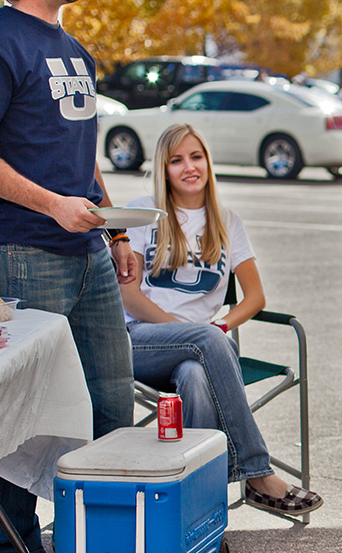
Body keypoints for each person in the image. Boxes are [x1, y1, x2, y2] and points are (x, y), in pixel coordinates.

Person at [0, 0, 136, 551]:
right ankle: (6, 544)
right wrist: (52, 206)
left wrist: (113, 226)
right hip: (19, 254)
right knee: (13, 417)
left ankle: (101, 536)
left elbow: (81, 156)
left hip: (87, 254)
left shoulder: (77, 51)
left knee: (113, 404)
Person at [120, 123, 323, 516]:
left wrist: (222, 326)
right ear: (163, 169)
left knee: (197, 376)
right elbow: (128, 295)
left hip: (200, 354)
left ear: (208, 163)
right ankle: (256, 472)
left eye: (196, 157)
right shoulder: (144, 213)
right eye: (176, 160)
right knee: (209, 343)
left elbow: (255, 297)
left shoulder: (226, 221)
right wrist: (196, 334)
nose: (189, 167)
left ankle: (200, 512)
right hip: (139, 341)